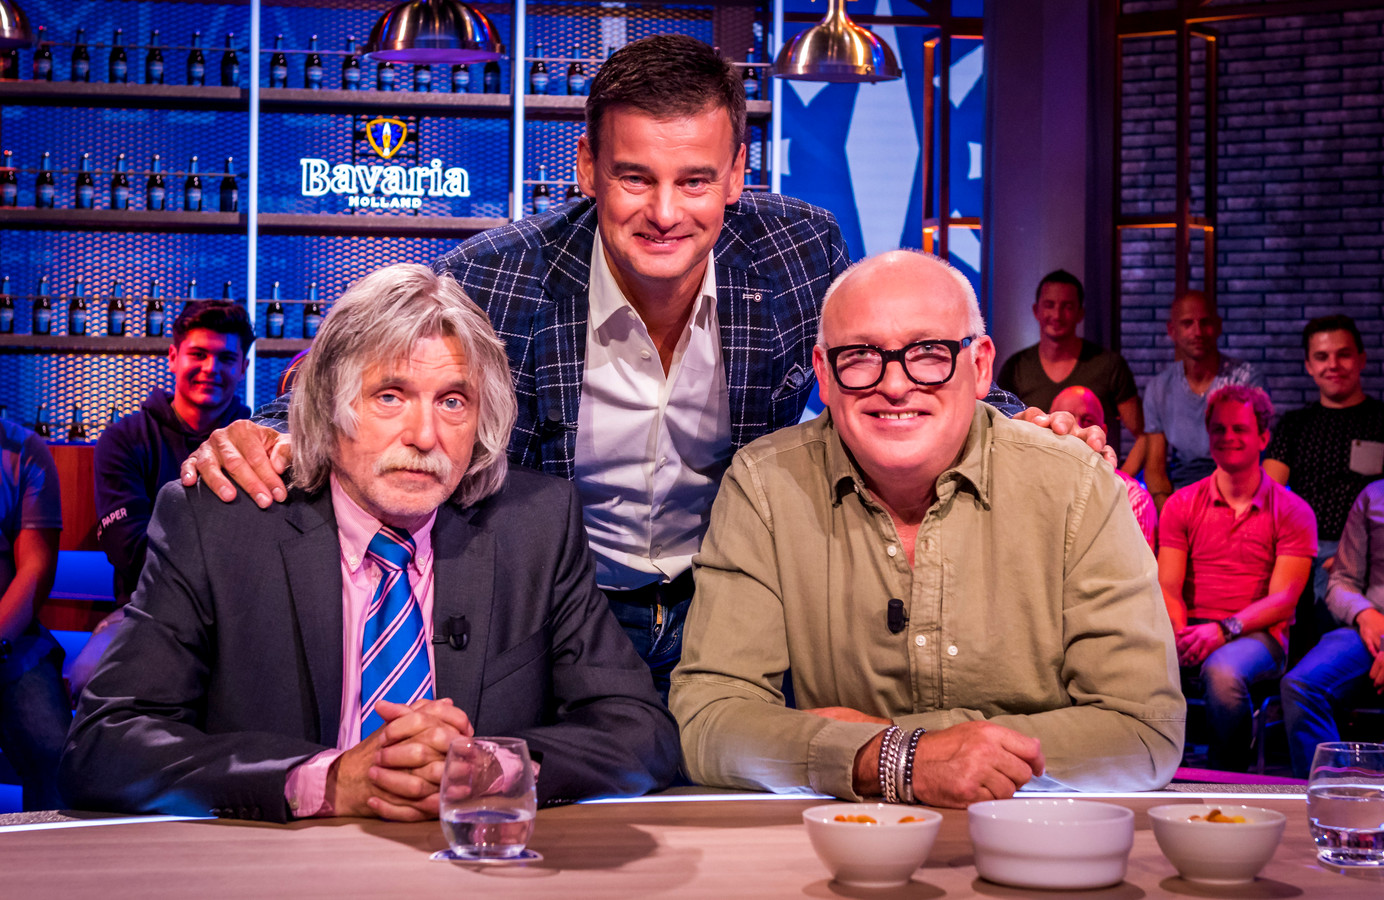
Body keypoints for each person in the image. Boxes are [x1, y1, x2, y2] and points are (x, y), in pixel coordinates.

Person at [176, 36, 1104, 700]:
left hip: (739, 593)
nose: (665, 212)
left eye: (695, 179)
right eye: (635, 177)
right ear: (586, 166)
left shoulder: (797, 251)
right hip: (565, 605)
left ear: (737, 172)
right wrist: (262, 432)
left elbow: (891, 359)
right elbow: (362, 379)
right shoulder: (498, 275)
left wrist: (1019, 420)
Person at [61, 265, 678, 822]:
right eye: (390, 396)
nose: (424, 434)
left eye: (453, 401)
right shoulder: (220, 524)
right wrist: (327, 781)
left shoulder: (536, 527)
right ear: (330, 409)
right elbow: (105, 744)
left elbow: (641, 734)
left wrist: (496, 767)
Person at [670, 250, 1184, 807]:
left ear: (980, 366)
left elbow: (1144, 733)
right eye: (860, 356)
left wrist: (896, 745)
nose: (895, 385)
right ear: (822, 373)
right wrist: (898, 758)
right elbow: (708, 721)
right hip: (848, 848)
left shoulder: (1076, 485)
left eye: (929, 353)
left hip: (1037, 843)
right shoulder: (764, 486)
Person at [1158, 385, 1316, 772]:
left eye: (1239, 429)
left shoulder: (1293, 510)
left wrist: (1220, 631)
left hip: (1258, 635)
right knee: (1134, 661)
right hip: (1192, 627)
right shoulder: (1181, 503)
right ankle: (1154, 772)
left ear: (1263, 437)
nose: (1228, 437)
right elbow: (1168, 587)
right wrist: (1179, 635)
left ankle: (1226, 778)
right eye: (1219, 429)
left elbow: (1283, 601)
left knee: (1223, 672)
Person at [95, 299, 254, 605]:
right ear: (173, 358)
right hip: (147, 609)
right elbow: (129, 551)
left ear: (242, 368)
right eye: (198, 354)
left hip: (240, 613)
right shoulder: (123, 440)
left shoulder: (257, 440)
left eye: (226, 358)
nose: (211, 368)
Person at [1265, 315, 1384, 617]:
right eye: (1321, 357)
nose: (1333, 365)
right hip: (1299, 549)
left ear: (1361, 360)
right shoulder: (1294, 424)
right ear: (1309, 366)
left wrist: (1353, 560)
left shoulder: (1381, 420)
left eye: (1343, 354)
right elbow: (1267, 493)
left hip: (1367, 553)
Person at [1282, 479, 1384, 778]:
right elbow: (1342, 580)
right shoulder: (1373, 496)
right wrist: (1363, 612)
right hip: (1371, 626)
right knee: (1302, 686)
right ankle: (1331, 793)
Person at [997, 270, 1144, 470]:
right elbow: (1001, 432)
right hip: (1034, 477)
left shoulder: (1110, 365)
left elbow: (1143, 435)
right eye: (1049, 305)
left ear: (1080, 313)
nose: (1057, 315)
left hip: (1097, 477)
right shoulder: (1015, 368)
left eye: (1067, 306)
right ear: (1036, 310)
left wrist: (1120, 479)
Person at [0, 420, 69, 810]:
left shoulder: (24, 450)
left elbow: (35, 570)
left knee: (57, 754)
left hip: (10, 639)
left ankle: (51, 849)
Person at [1143, 291, 1265, 511]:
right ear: (1172, 331)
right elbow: (1155, 468)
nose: (1197, 332)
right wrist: (1168, 512)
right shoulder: (1159, 388)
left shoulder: (1245, 379)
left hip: (1236, 495)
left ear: (1218, 326)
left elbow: (1254, 452)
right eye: (1187, 323)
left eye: (1205, 322)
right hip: (1182, 496)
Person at [1050, 386, 1157, 549]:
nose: (1077, 428)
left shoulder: (1132, 498)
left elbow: (1132, 564)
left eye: (1088, 421)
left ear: (1103, 432)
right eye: (1066, 419)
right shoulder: (1034, 486)